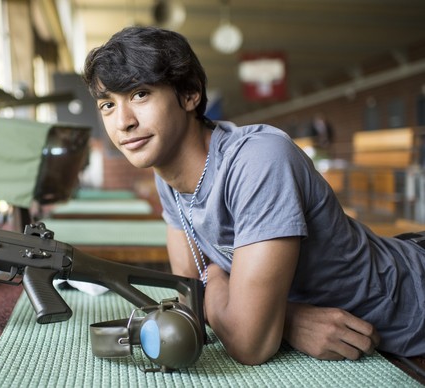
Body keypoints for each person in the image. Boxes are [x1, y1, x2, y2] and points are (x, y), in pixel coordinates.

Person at [82, 26, 424, 365]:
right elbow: (188, 295)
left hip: (411, 309)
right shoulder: (166, 173)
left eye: (140, 94)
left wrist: (217, 275)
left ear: (189, 94)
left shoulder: (259, 159)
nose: (123, 122)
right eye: (108, 105)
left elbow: (248, 342)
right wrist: (289, 320)